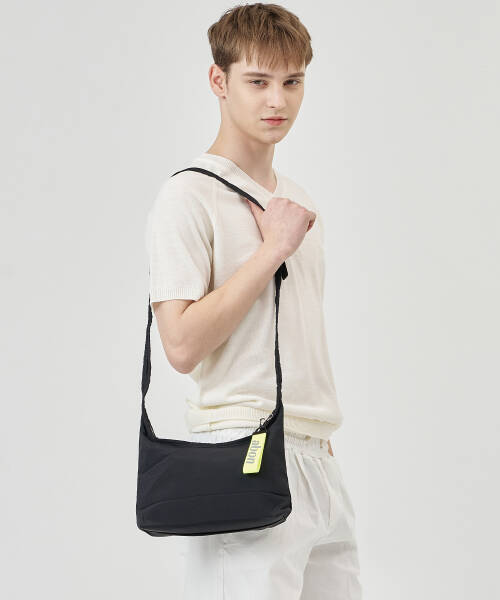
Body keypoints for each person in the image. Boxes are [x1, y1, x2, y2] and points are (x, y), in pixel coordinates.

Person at [145, 3, 363, 599]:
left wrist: (317, 439)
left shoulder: (297, 200)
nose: (278, 101)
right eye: (258, 81)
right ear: (218, 81)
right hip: (243, 450)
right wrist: (271, 251)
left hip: (316, 458)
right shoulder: (189, 195)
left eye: (292, 82)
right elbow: (181, 345)